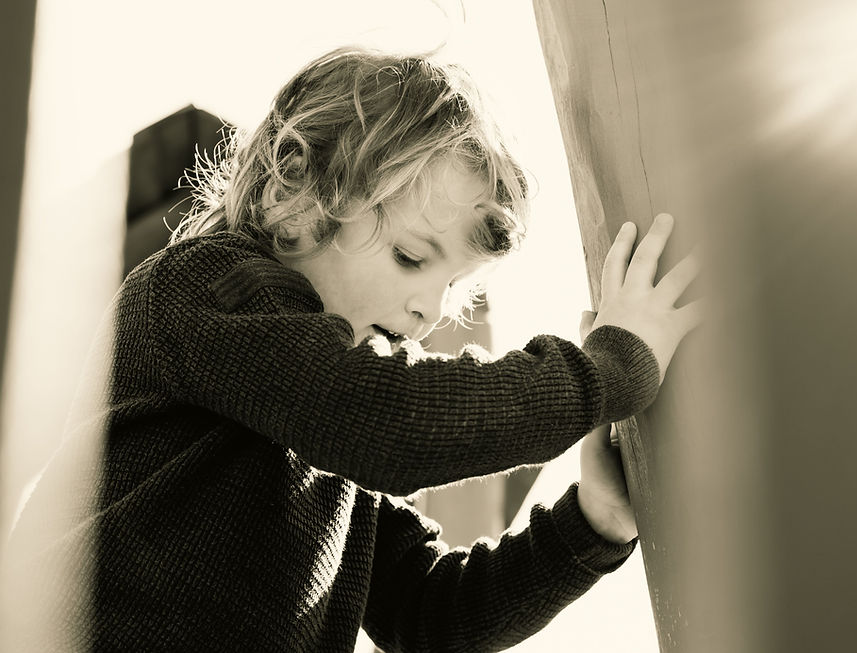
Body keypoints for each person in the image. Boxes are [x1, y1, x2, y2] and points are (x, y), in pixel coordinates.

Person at [9, 46, 701, 651]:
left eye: (452, 285)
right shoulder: (205, 288)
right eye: (409, 256)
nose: (430, 309)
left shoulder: (330, 440)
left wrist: (591, 524)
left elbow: (430, 613)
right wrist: (608, 367)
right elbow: (391, 419)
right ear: (296, 196)